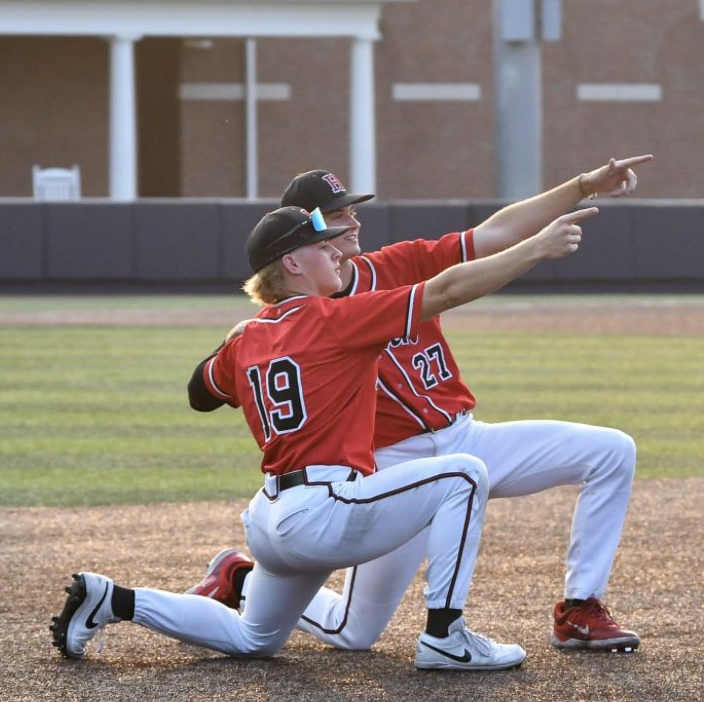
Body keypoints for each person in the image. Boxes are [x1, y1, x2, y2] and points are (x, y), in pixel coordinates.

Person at [50, 199, 597, 670]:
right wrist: (535, 249)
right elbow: (446, 290)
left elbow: (199, 392)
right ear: (291, 262)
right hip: (327, 509)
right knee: (466, 472)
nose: (338, 251)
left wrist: (234, 341)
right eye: (323, 247)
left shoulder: (249, 340)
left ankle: (114, 599)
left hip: (269, 519)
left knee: (253, 638)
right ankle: (445, 635)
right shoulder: (333, 319)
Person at [187, 155, 652, 654]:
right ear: (306, 231)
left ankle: (580, 607)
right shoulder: (295, 321)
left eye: (351, 209)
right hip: (393, 468)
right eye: (338, 213)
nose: (354, 220)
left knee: (611, 452)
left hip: (465, 437)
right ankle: (246, 582)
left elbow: (492, 234)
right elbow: (218, 386)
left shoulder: (393, 266)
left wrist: (583, 184)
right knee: (354, 633)